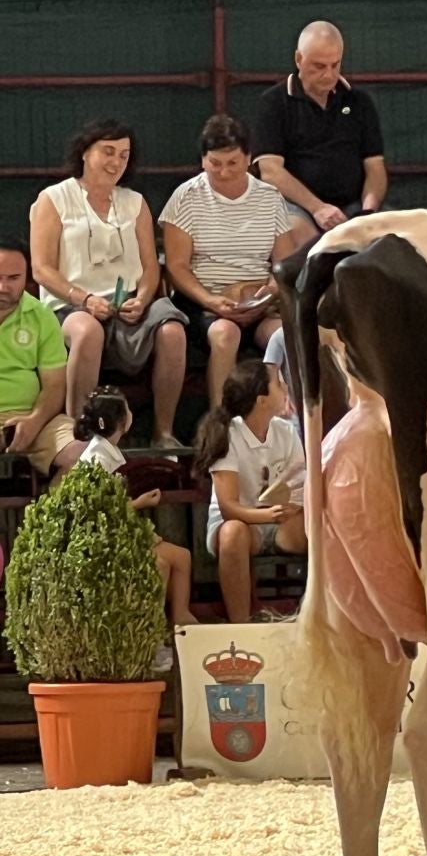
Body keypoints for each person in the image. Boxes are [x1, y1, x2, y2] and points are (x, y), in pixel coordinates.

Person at [28, 120, 191, 444]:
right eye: (108, 151)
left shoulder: (134, 202)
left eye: (124, 155)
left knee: (173, 331)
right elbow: (42, 270)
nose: (116, 161)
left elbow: (149, 267)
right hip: (71, 305)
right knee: (87, 331)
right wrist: (84, 299)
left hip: (127, 302)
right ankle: (77, 435)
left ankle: (164, 433)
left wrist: (143, 299)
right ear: (85, 152)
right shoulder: (54, 199)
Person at [161, 114, 301, 409]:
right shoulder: (186, 197)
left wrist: (269, 294)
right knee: (226, 334)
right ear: (203, 161)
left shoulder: (269, 197)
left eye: (233, 163)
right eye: (215, 163)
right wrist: (211, 301)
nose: (223, 172)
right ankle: (220, 422)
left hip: (259, 303)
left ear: (249, 159)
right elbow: (177, 266)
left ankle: (287, 420)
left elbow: (285, 264)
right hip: (204, 303)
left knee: (286, 337)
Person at [251, 20, 387, 245]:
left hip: (353, 206)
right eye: (319, 66)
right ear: (298, 59)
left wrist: (368, 211)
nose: (328, 74)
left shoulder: (360, 102)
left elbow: (375, 167)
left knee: (390, 239)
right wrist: (318, 208)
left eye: (335, 65)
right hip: (297, 207)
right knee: (302, 238)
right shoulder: (274, 102)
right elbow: (271, 172)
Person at [74, 388, 197, 631]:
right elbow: (99, 512)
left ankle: (181, 619)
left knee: (182, 556)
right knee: (159, 563)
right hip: (102, 541)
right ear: (122, 421)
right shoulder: (97, 460)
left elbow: (114, 506)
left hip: (119, 530)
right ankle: (149, 632)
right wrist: (140, 517)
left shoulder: (108, 453)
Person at [195, 360, 307, 623]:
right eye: (278, 384)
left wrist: (295, 507)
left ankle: (316, 615)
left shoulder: (286, 431)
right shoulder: (229, 435)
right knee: (233, 533)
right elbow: (228, 507)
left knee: (321, 526)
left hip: (279, 520)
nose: (285, 388)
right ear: (262, 400)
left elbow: (300, 483)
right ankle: (240, 624)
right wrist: (269, 516)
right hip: (241, 523)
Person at [0, 237, 86, 478]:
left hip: (33, 417)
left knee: (87, 456)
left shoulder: (41, 316)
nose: (3, 287)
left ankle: (45, 515)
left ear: (26, 278)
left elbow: (55, 386)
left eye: (13, 278)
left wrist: (35, 420)